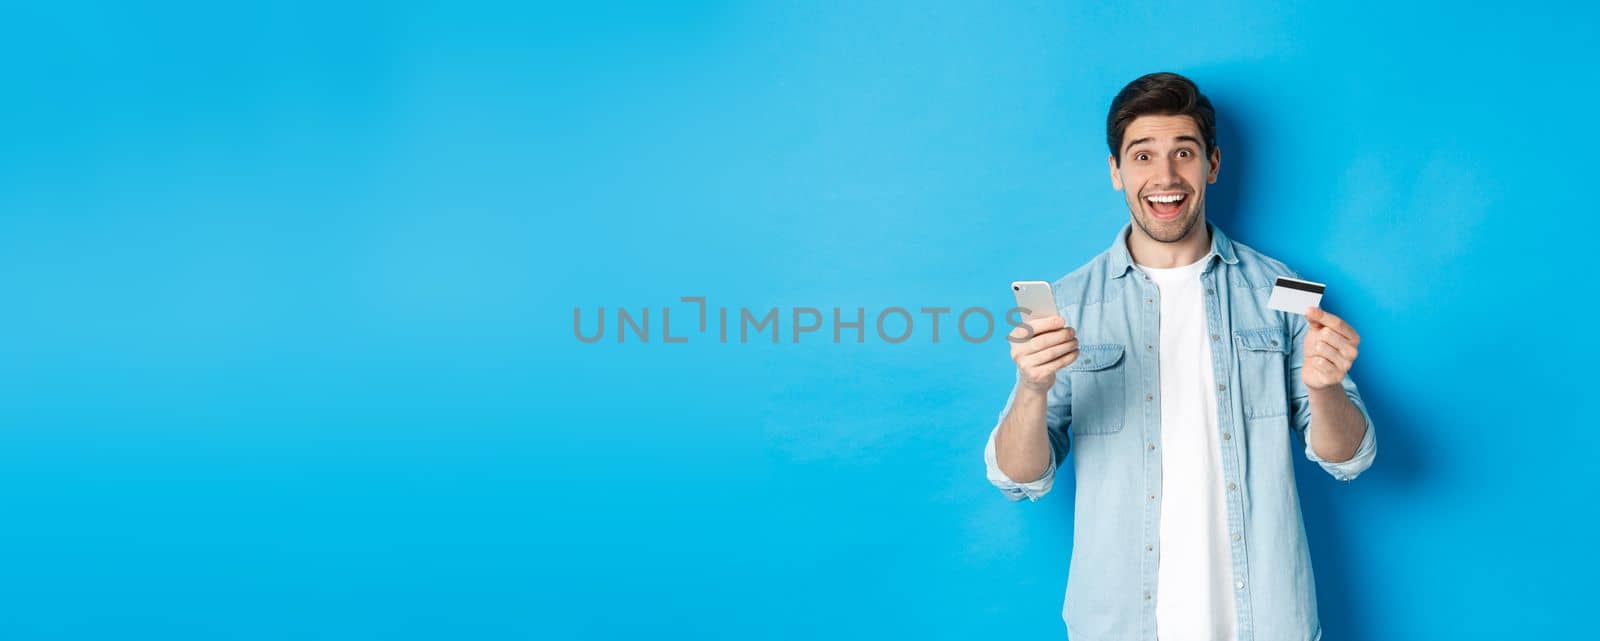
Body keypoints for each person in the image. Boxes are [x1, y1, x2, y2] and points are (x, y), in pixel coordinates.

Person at [984, 72, 1376, 641]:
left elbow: (1350, 457)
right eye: (1142, 156)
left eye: (1183, 153)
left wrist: (1325, 388)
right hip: (1119, 624)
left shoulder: (1281, 288)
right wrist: (1032, 388)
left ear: (1212, 165)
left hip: (1264, 622)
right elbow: (1016, 478)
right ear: (1116, 171)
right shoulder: (1069, 303)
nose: (1164, 177)